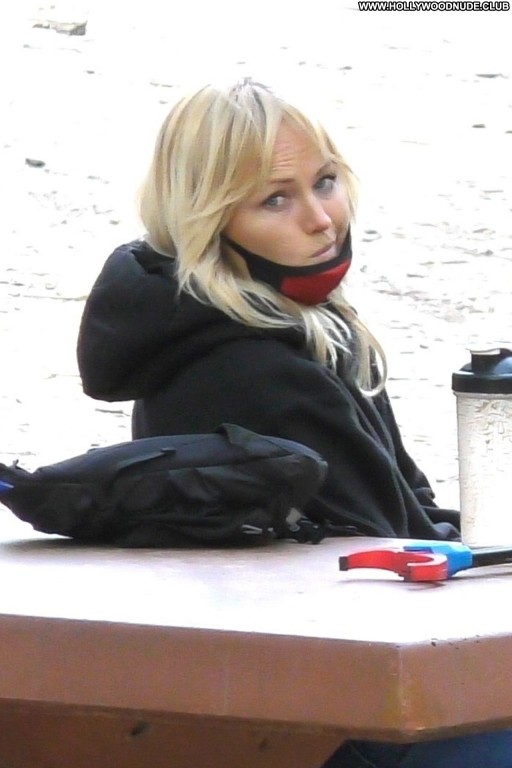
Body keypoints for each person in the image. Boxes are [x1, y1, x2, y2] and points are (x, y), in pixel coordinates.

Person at [76, 78, 512, 767]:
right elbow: (398, 568)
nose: (321, 219)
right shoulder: (255, 371)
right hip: (339, 711)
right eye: (275, 199)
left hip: (312, 683)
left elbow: (411, 518)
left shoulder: (269, 331)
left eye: (325, 182)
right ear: (210, 221)